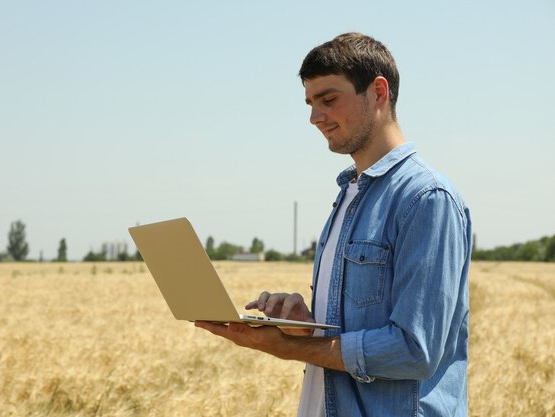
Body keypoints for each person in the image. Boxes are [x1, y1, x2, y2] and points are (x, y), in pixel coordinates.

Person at [195, 32, 471, 417]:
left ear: (378, 92)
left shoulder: (426, 199)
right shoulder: (349, 193)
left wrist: (284, 347)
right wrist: (303, 326)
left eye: (328, 99)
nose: (314, 117)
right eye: (310, 103)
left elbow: (414, 350)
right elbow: (348, 334)